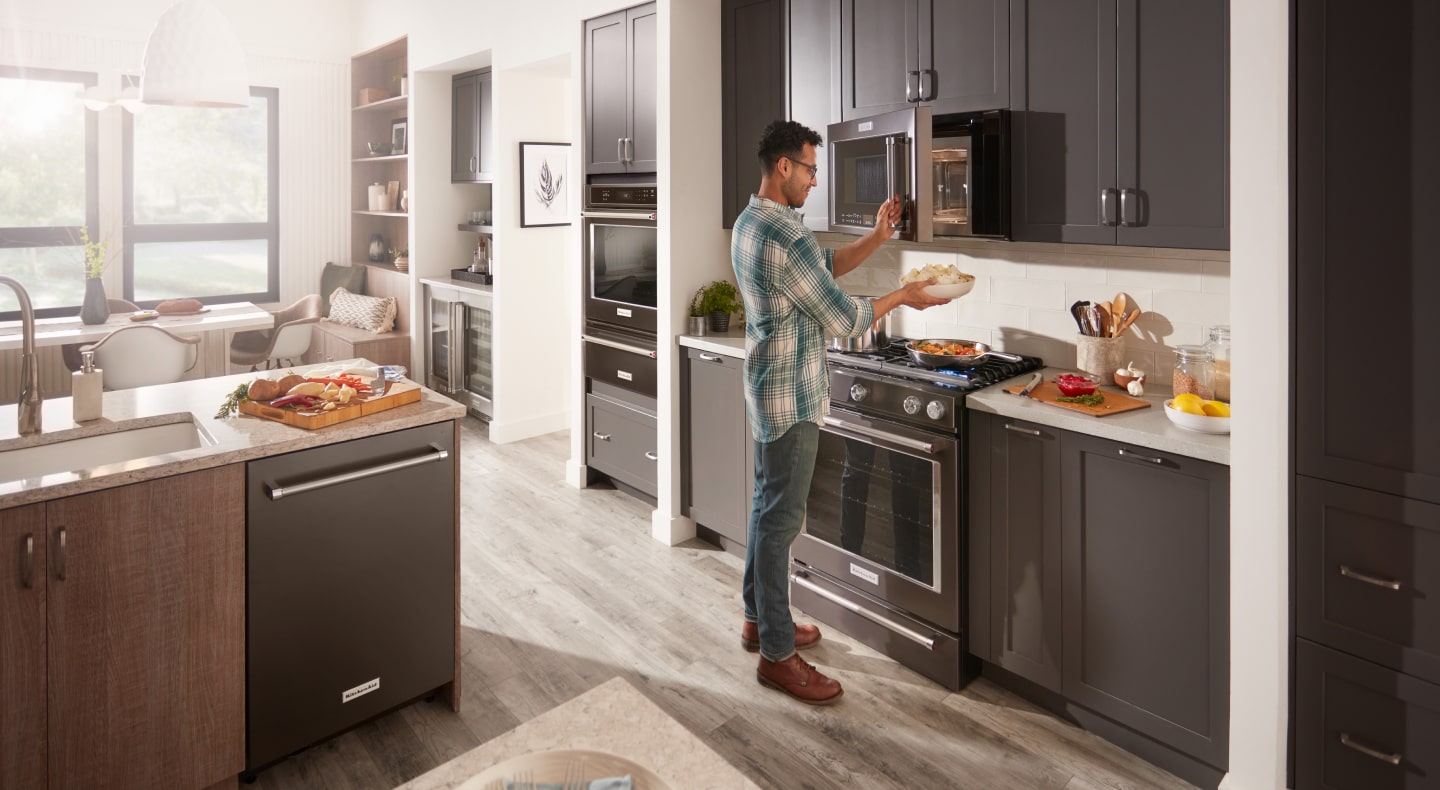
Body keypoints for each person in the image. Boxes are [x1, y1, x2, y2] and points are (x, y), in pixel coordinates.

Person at [732, 119, 950, 705]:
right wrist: (903, 294)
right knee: (781, 523)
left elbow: (819, 275)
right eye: (809, 169)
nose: (814, 179)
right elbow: (844, 317)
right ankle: (778, 655)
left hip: (765, 386)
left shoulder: (752, 221)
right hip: (793, 394)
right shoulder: (787, 236)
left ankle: (759, 619)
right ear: (785, 168)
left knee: (764, 507)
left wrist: (878, 237)